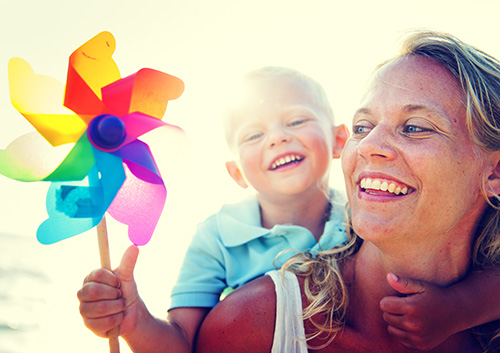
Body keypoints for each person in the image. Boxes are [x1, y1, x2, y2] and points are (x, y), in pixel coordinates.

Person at [195, 31, 500, 352]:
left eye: (414, 127)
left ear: (494, 173)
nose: (368, 146)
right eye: (362, 128)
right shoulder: (254, 325)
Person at [77, 66, 350, 352]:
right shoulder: (216, 236)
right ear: (237, 173)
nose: (276, 137)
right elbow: (183, 344)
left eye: (296, 121)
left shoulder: (363, 219)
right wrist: (137, 321)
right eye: (253, 135)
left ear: (339, 140)